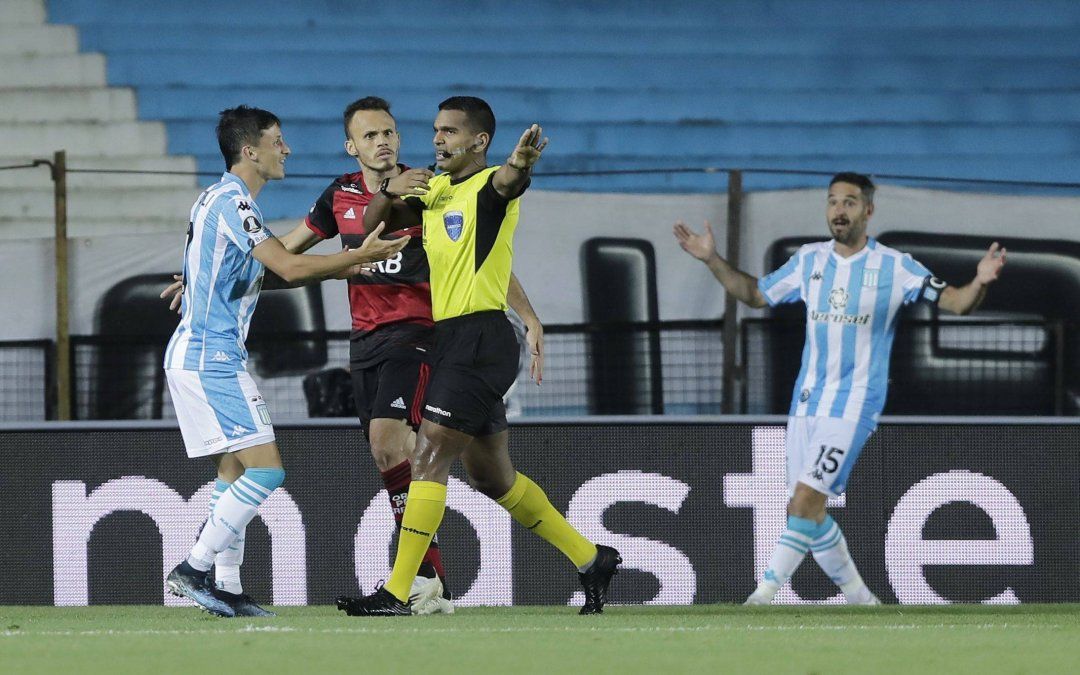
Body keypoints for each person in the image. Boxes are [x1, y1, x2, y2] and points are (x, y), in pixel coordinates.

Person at [162, 96, 545, 615]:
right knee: (464, 469)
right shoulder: (337, 195)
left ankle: (422, 577)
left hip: (420, 335)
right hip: (364, 343)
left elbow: (486, 249)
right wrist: (208, 272)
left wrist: (526, 312)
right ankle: (223, 583)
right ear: (352, 146)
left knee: (389, 444)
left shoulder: (428, 186)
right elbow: (286, 260)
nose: (382, 141)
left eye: (389, 131)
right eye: (370, 135)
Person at [336, 96, 621, 617]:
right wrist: (386, 189)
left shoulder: (488, 190)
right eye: (435, 130)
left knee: (428, 456)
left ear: (479, 142)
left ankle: (399, 592)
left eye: (449, 131)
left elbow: (509, 182)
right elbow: (372, 227)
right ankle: (592, 558)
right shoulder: (436, 189)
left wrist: (521, 164)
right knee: (493, 476)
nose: (437, 139)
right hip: (453, 341)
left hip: (480, 339)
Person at [674, 172, 1006, 605]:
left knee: (804, 502)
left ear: (868, 210)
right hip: (807, 403)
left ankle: (763, 594)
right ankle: (862, 601)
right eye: (832, 201)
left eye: (849, 202)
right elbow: (755, 294)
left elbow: (957, 303)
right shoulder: (809, 260)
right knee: (808, 513)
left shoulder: (895, 266)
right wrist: (711, 259)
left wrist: (979, 281)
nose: (838, 211)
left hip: (854, 404)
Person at [163, 106, 408, 617]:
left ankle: (226, 586)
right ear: (250, 150)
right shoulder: (235, 201)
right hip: (212, 361)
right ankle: (194, 568)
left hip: (199, 356)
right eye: (278, 140)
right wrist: (359, 257)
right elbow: (291, 267)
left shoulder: (216, 199)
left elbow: (239, 267)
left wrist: (196, 282)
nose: (287, 149)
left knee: (233, 471)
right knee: (267, 472)